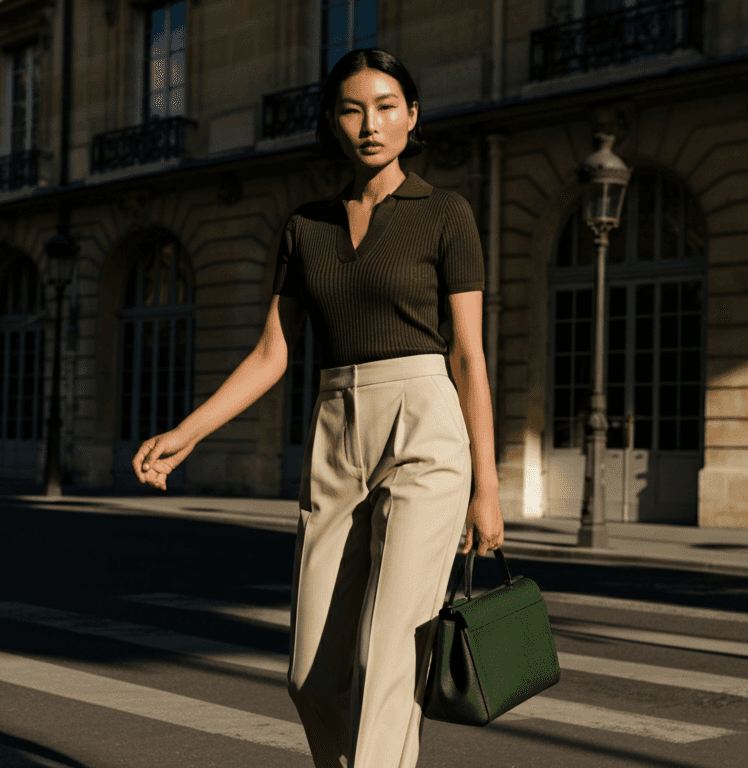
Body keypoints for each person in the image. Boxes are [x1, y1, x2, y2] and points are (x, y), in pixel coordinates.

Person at [131, 48, 504, 768]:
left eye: (387, 105)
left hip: (425, 425)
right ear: (333, 122)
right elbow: (273, 353)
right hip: (336, 433)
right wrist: (188, 431)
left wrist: (486, 488)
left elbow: (468, 357)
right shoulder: (306, 227)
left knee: (393, 655)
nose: (371, 123)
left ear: (413, 116)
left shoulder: (446, 214)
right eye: (353, 108)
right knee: (312, 673)